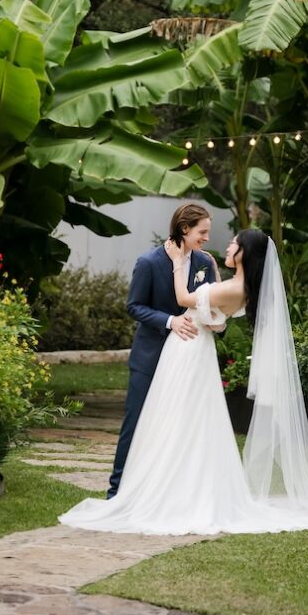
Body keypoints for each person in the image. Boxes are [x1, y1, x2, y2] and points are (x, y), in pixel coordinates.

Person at [59, 228, 308, 536]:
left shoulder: (232, 287)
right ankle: (170, 486)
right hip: (195, 352)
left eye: (233, 243)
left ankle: (168, 491)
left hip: (188, 354)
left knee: (178, 421)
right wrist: (212, 279)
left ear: (244, 253)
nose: (225, 246)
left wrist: (176, 264)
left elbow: (186, 298)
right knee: (193, 422)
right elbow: (215, 314)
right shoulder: (238, 286)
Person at [105, 203, 218, 500]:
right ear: (184, 229)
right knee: (136, 422)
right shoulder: (149, 262)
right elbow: (134, 306)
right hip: (150, 358)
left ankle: (165, 491)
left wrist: (216, 323)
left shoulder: (205, 263)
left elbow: (211, 305)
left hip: (187, 360)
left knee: (178, 426)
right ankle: (116, 492)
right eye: (202, 232)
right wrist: (170, 321)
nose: (207, 238)